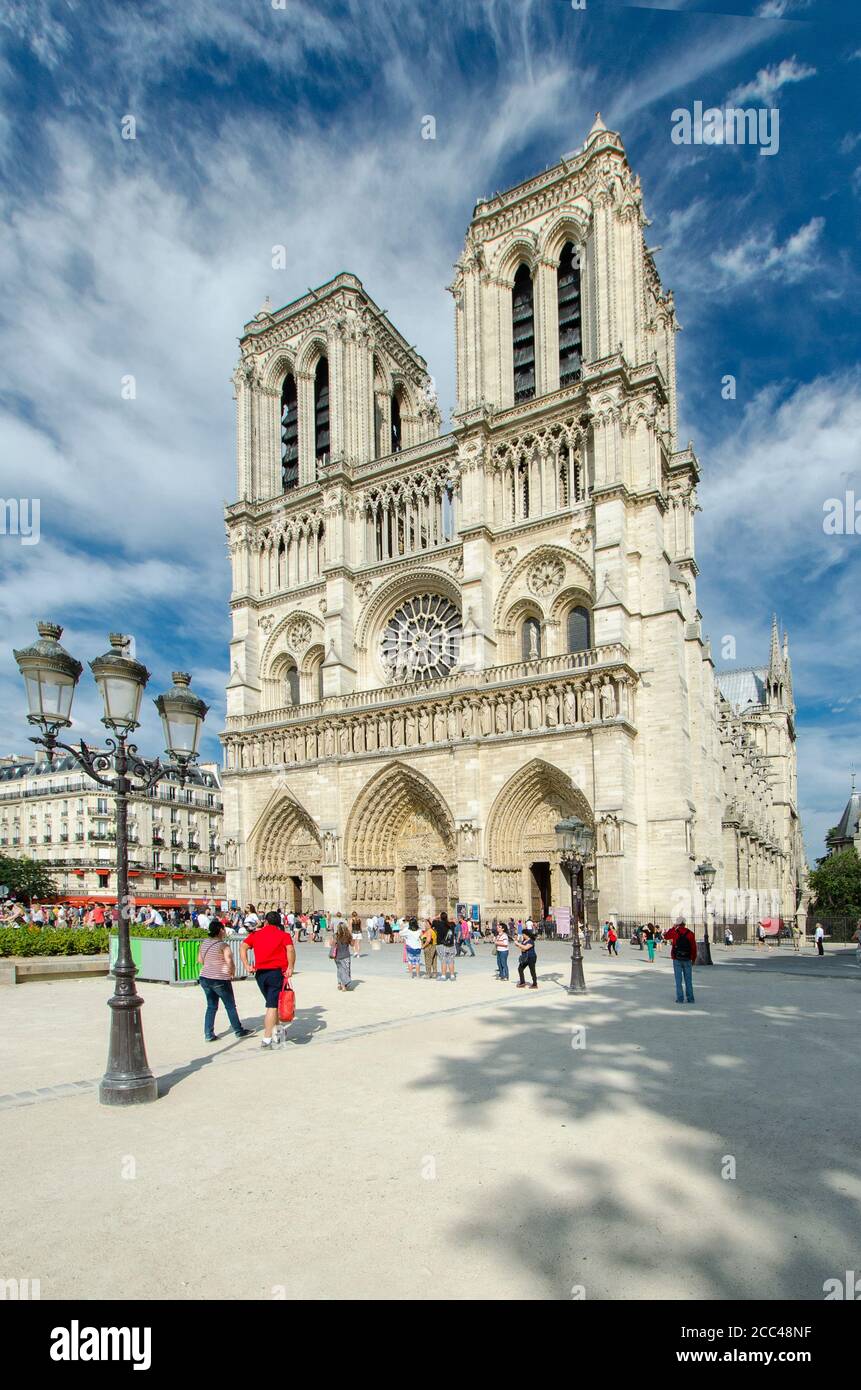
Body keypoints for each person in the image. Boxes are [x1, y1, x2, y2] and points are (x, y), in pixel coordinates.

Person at [240, 910, 296, 1049]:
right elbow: (290, 950)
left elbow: (243, 947)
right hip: (276, 973)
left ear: (265, 921)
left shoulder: (256, 935)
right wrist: (291, 967)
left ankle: (278, 1030)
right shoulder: (284, 935)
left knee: (274, 1003)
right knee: (272, 1006)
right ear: (279, 923)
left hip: (260, 975)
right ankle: (266, 1038)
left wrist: (247, 965)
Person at [198, 922, 253, 1042]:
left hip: (205, 977)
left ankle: (208, 1033)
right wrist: (232, 972)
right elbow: (229, 961)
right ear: (220, 930)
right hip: (220, 979)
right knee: (230, 1006)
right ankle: (238, 1031)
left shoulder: (204, 942)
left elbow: (200, 960)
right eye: (223, 929)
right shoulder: (223, 945)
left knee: (211, 1006)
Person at [664, 918, 697, 1004]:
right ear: (685, 924)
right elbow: (694, 948)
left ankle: (680, 998)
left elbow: (666, 936)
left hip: (677, 958)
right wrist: (693, 959)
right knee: (688, 980)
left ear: (677, 924)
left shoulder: (675, 932)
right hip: (687, 958)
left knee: (678, 980)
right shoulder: (690, 933)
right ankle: (690, 998)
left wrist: (673, 928)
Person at [515, 921, 538, 989]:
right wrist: (517, 944)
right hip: (525, 957)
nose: (522, 935)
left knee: (532, 970)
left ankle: (534, 984)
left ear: (526, 934)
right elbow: (523, 949)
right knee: (520, 969)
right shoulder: (524, 941)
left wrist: (518, 944)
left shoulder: (531, 941)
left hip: (531, 957)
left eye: (523, 934)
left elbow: (525, 947)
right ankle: (522, 982)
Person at [331, 921, 353, 990]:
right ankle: (344, 985)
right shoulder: (348, 935)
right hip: (345, 956)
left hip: (337, 956)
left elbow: (332, 944)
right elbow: (352, 944)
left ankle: (339, 984)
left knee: (339, 970)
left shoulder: (335, 935)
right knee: (346, 970)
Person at [437, 911, 457, 981]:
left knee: (444, 960)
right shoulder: (452, 924)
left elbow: (432, 921)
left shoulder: (438, 924)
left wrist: (437, 917)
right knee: (451, 960)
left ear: (440, 917)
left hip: (443, 945)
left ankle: (443, 976)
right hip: (451, 945)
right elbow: (454, 921)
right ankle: (452, 976)